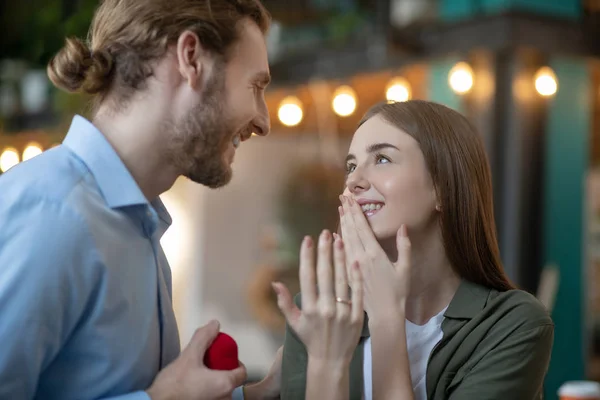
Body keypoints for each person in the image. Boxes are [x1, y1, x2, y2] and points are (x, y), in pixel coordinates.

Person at [0, 0, 282, 399]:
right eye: (256, 86)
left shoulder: (137, 227)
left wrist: (268, 390)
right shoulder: (53, 213)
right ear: (191, 58)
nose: (264, 121)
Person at [277, 100, 555, 400]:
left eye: (382, 159)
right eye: (351, 166)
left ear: (443, 188)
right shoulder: (319, 314)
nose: (353, 181)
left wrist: (386, 318)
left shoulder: (512, 325)